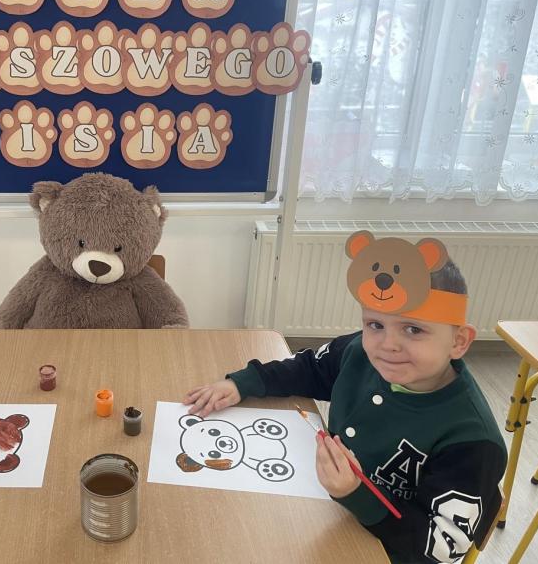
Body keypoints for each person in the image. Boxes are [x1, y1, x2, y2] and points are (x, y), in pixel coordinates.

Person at [184, 231, 507, 564]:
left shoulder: (472, 442)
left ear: (459, 341)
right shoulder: (359, 352)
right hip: (327, 518)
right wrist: (245, 383)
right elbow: (310, 369)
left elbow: (438, 549)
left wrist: (356, 494)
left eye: (413, 329)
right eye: (375, 325)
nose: (388, 344)